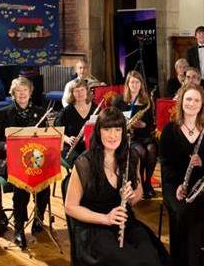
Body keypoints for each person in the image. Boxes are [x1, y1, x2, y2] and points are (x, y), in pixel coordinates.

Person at [64, 107, 170, 265]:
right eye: (107, 129)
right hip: (95, 225)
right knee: (124, 261)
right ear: (99, 132)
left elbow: (139, 193)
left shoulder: (131, 158)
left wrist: (132, 195)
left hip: (124, 221)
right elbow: (70, 207)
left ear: (123, 132)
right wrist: (106, 218)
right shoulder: (85, 163)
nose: (113, 135)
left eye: (117, 129)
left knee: (152, 257)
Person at [160, 84, 204, 266]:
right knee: (182, 211)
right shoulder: (169, 130)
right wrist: (177, 186)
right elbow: (166, 165)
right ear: (181, 102)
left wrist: (203, 162)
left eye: (196, 100)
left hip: (202, 183)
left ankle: (200, 260)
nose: (192, 103)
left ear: (202, 104)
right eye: (188, 99)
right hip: (175, 184)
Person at [0, 77, 48, 248]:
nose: (22, 94)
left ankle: (38, 218)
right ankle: (19, 228)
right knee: (21, 186)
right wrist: (7, 145)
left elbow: (46, 138)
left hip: (34, 160)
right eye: (18, 91)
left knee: (45, 183)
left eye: (25, 90)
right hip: (12, 162)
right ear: (13, 93)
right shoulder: (4, 113)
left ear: (30, 92)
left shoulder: (40, 111)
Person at [111, 71, 159, 199]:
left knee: (152, 150)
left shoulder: (146, 101)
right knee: (141, 152)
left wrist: (143, 125)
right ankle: (140, 183)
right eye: (132, 82)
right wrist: (126, 124)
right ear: (127, 84)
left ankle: (147, 182)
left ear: (141, 84)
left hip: (144, 135)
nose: (134, 85)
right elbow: (113, 120)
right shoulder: (119, 101)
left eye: (137, 82)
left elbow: (151, 124)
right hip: (128, 137)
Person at [57, 79, 98, 200]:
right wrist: (68, 139)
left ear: (87, 91)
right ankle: (82, 194)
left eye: (82, 90)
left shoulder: (95, 109)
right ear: (72, 93)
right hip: (71, 147)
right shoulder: (67, 111)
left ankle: (95, 193)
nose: (79, 93)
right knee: (81, 163)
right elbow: (58, 132)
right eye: (76, 91)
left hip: (90, 145)